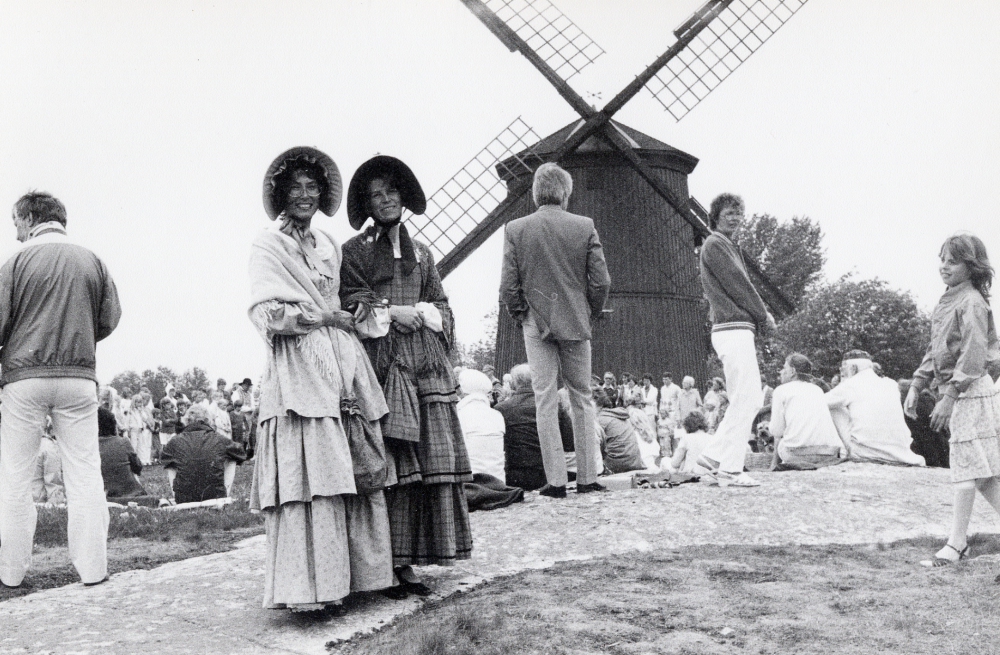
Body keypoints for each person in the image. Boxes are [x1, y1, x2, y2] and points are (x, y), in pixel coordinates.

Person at [248, 146, 396, 611]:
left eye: (313, 188)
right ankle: (310, 587)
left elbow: (344, 294)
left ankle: (356, 578)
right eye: (296, 188)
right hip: (299, 364)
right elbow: (266, 309)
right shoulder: (268, 246)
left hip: (342, 358)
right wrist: (316, 317)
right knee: (309, 470)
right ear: (281, 194)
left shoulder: (329, 245)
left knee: (352, 460)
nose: (305, 195)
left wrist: (354, 309)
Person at [340, 154, 472, 592]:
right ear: (367, 204)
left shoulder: (425, 254)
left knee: (431, 460)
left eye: (392, 191)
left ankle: (424, 552)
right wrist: (389, 312)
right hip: (383, 365)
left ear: (404, 197)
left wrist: (421, 311)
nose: (386, 199)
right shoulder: (353, 252)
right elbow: (350, 302)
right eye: (376, 194)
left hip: (428, 367)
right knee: (397, 461)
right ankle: (392, 561)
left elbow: (444, 305)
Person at [0, 191, 121, 588]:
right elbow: (109, 318)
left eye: (16, 223)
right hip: (78, 376)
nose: (16, 232)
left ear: (30, 218)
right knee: (85, 472)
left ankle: (11, 572)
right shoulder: (93, 259)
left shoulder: (15, 262)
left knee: (15, 476)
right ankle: (93, 569)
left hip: (24, 377)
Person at [499, 162, 611, 496]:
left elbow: (508, 285)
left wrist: (522, 314)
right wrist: (588, 311)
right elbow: (601, 279)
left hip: (537, 319)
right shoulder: (585, 225)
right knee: (582, 396)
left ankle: (557, 482)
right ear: (565, 192)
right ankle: (588, 477)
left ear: (536, 193)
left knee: (544, 397)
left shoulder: (516, 229)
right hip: (576, 318)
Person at [902, 234, 1000, 567]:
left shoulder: (971, 300)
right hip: (964, 389)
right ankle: (958, 543)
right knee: (983, 472)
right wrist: (918, 382)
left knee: (965, 468)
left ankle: (957, 544)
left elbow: (973, 354)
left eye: (953, 261)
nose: (944, 266)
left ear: (972, 267)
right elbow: (937, 348)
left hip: (970, 390)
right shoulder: (950, 299)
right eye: (942, 259)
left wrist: (950, 397)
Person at [695, 193, 775, 487]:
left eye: (739, 213)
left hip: (735, 328)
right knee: (750, 397)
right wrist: (763, 314)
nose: (735, 217)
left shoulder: (725, 245)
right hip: (732, 327)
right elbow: (738, 284)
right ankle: (730, 468)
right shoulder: (715, 244)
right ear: (715, 215)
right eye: (729, 212)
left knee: (747, 397)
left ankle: (714, 455)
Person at [827, 350, 925, 466]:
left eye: (843, 369)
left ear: (853, 368)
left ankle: (843, 453)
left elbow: (819, 402)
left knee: (833, 407)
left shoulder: (851, 384)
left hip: (866, 453)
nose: (841, 373)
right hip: (901, 453)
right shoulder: (891, 384)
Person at [495, 364, 575, 492]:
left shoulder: (501, 409)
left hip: (515, 475)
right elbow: (570, 443)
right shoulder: (554, 405)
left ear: (514, 383)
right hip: (548, 474)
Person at [767, 354, 846, 470]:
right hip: (829, 452)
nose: (781, 372)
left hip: (796, 454)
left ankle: (774, 466)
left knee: (780, 437)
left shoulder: (780, 390)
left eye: (784, 368)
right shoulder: (817, 390)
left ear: (792, 371)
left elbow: (776, 430)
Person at [161, 405, 246, 504]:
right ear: (208, 420)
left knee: (170, 463)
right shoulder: (219, 438)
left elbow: (163, 458)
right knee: (232, 458)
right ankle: (224, 497)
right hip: (216, 495)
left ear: (186, 420)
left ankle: (178, 495)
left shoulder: (175, 440)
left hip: (184, 498)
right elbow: (241, 453)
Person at [456, 369, 506, 483]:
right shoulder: (497, 415)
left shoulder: (459, 415)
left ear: (462, 391)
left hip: (470, 484)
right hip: (499, 483)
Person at [96, 407, 148, 500]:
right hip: (132, 494)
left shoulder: (89, 448)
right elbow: (138, 467)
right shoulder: (123, 442)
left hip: (103, 496)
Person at [594, 387, 647, 474]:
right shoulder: (617, 414)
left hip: (616, 466)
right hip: (635, 462)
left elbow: (595, 449)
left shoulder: (600, 419)